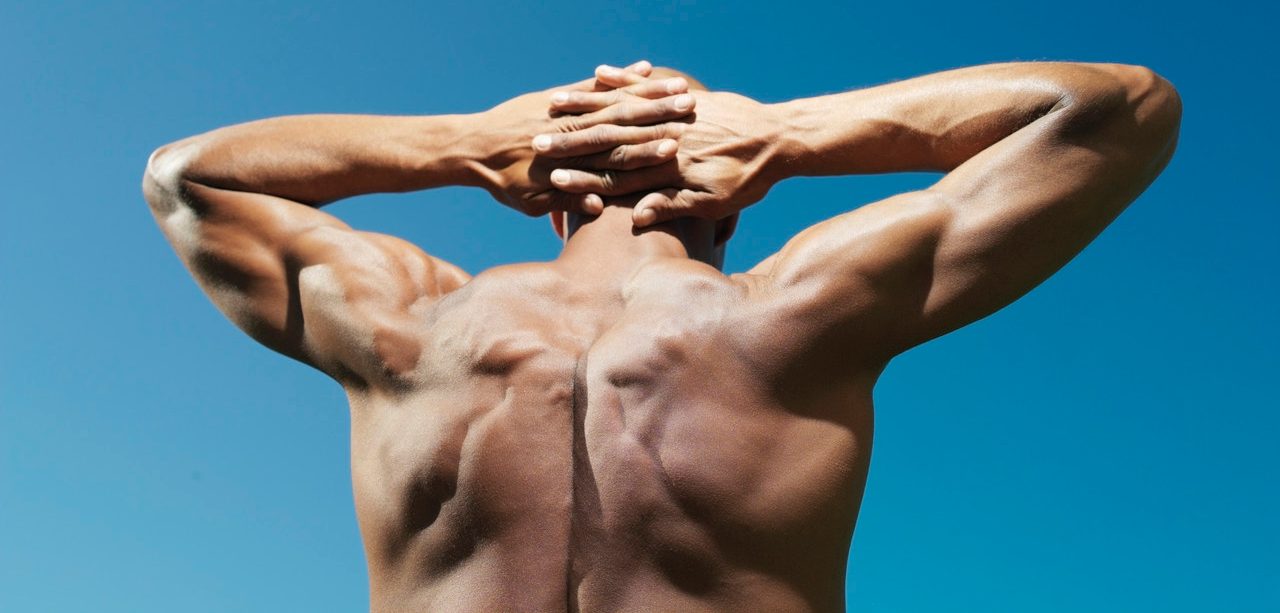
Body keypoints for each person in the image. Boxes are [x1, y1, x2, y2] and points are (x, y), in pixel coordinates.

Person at [142, 59, 1181, 612]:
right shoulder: (799, 312)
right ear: (729, 198)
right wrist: (786, 133)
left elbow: (189, 179)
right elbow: (1118, 107)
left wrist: (466, 146)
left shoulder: (412, 323)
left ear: (551, 198)